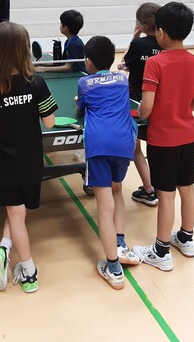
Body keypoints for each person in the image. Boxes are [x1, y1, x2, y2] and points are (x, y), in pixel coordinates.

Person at [0, 22, 57, 293]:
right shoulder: (36, 83)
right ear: (23, 50)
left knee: (15, 213)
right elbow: (50, 122)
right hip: (31, 160)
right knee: (19, 213)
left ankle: (18, 262)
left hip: (3, 162)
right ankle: (16, 259)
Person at [132, 2, 194, 272]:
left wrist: (142, 113)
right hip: (188, 136)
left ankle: (161, 251)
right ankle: (186, 238)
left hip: (162, 139)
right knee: (187, 188)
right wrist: (178, 111)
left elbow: (146, 108)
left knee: (165, 195)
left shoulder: (155, 63)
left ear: (160, 32)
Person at [76, 36, 139, 290]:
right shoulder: (122, 80)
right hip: (125, 144)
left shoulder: (84, 82)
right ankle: (120, 244)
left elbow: (80, 110)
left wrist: (80, 105)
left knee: (104, 205)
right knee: (117, 190)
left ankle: (113, 266)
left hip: (99, 145)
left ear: (89, 62)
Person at [117, 3, 162, 207]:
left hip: (137, 103)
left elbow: (125, 61)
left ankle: (149, 189)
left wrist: (134, 37)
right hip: (159, 104)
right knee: (155, 147)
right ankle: (159, 187)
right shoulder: (165, 45)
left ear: (143, 24)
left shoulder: (138, 44)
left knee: (136, 148)